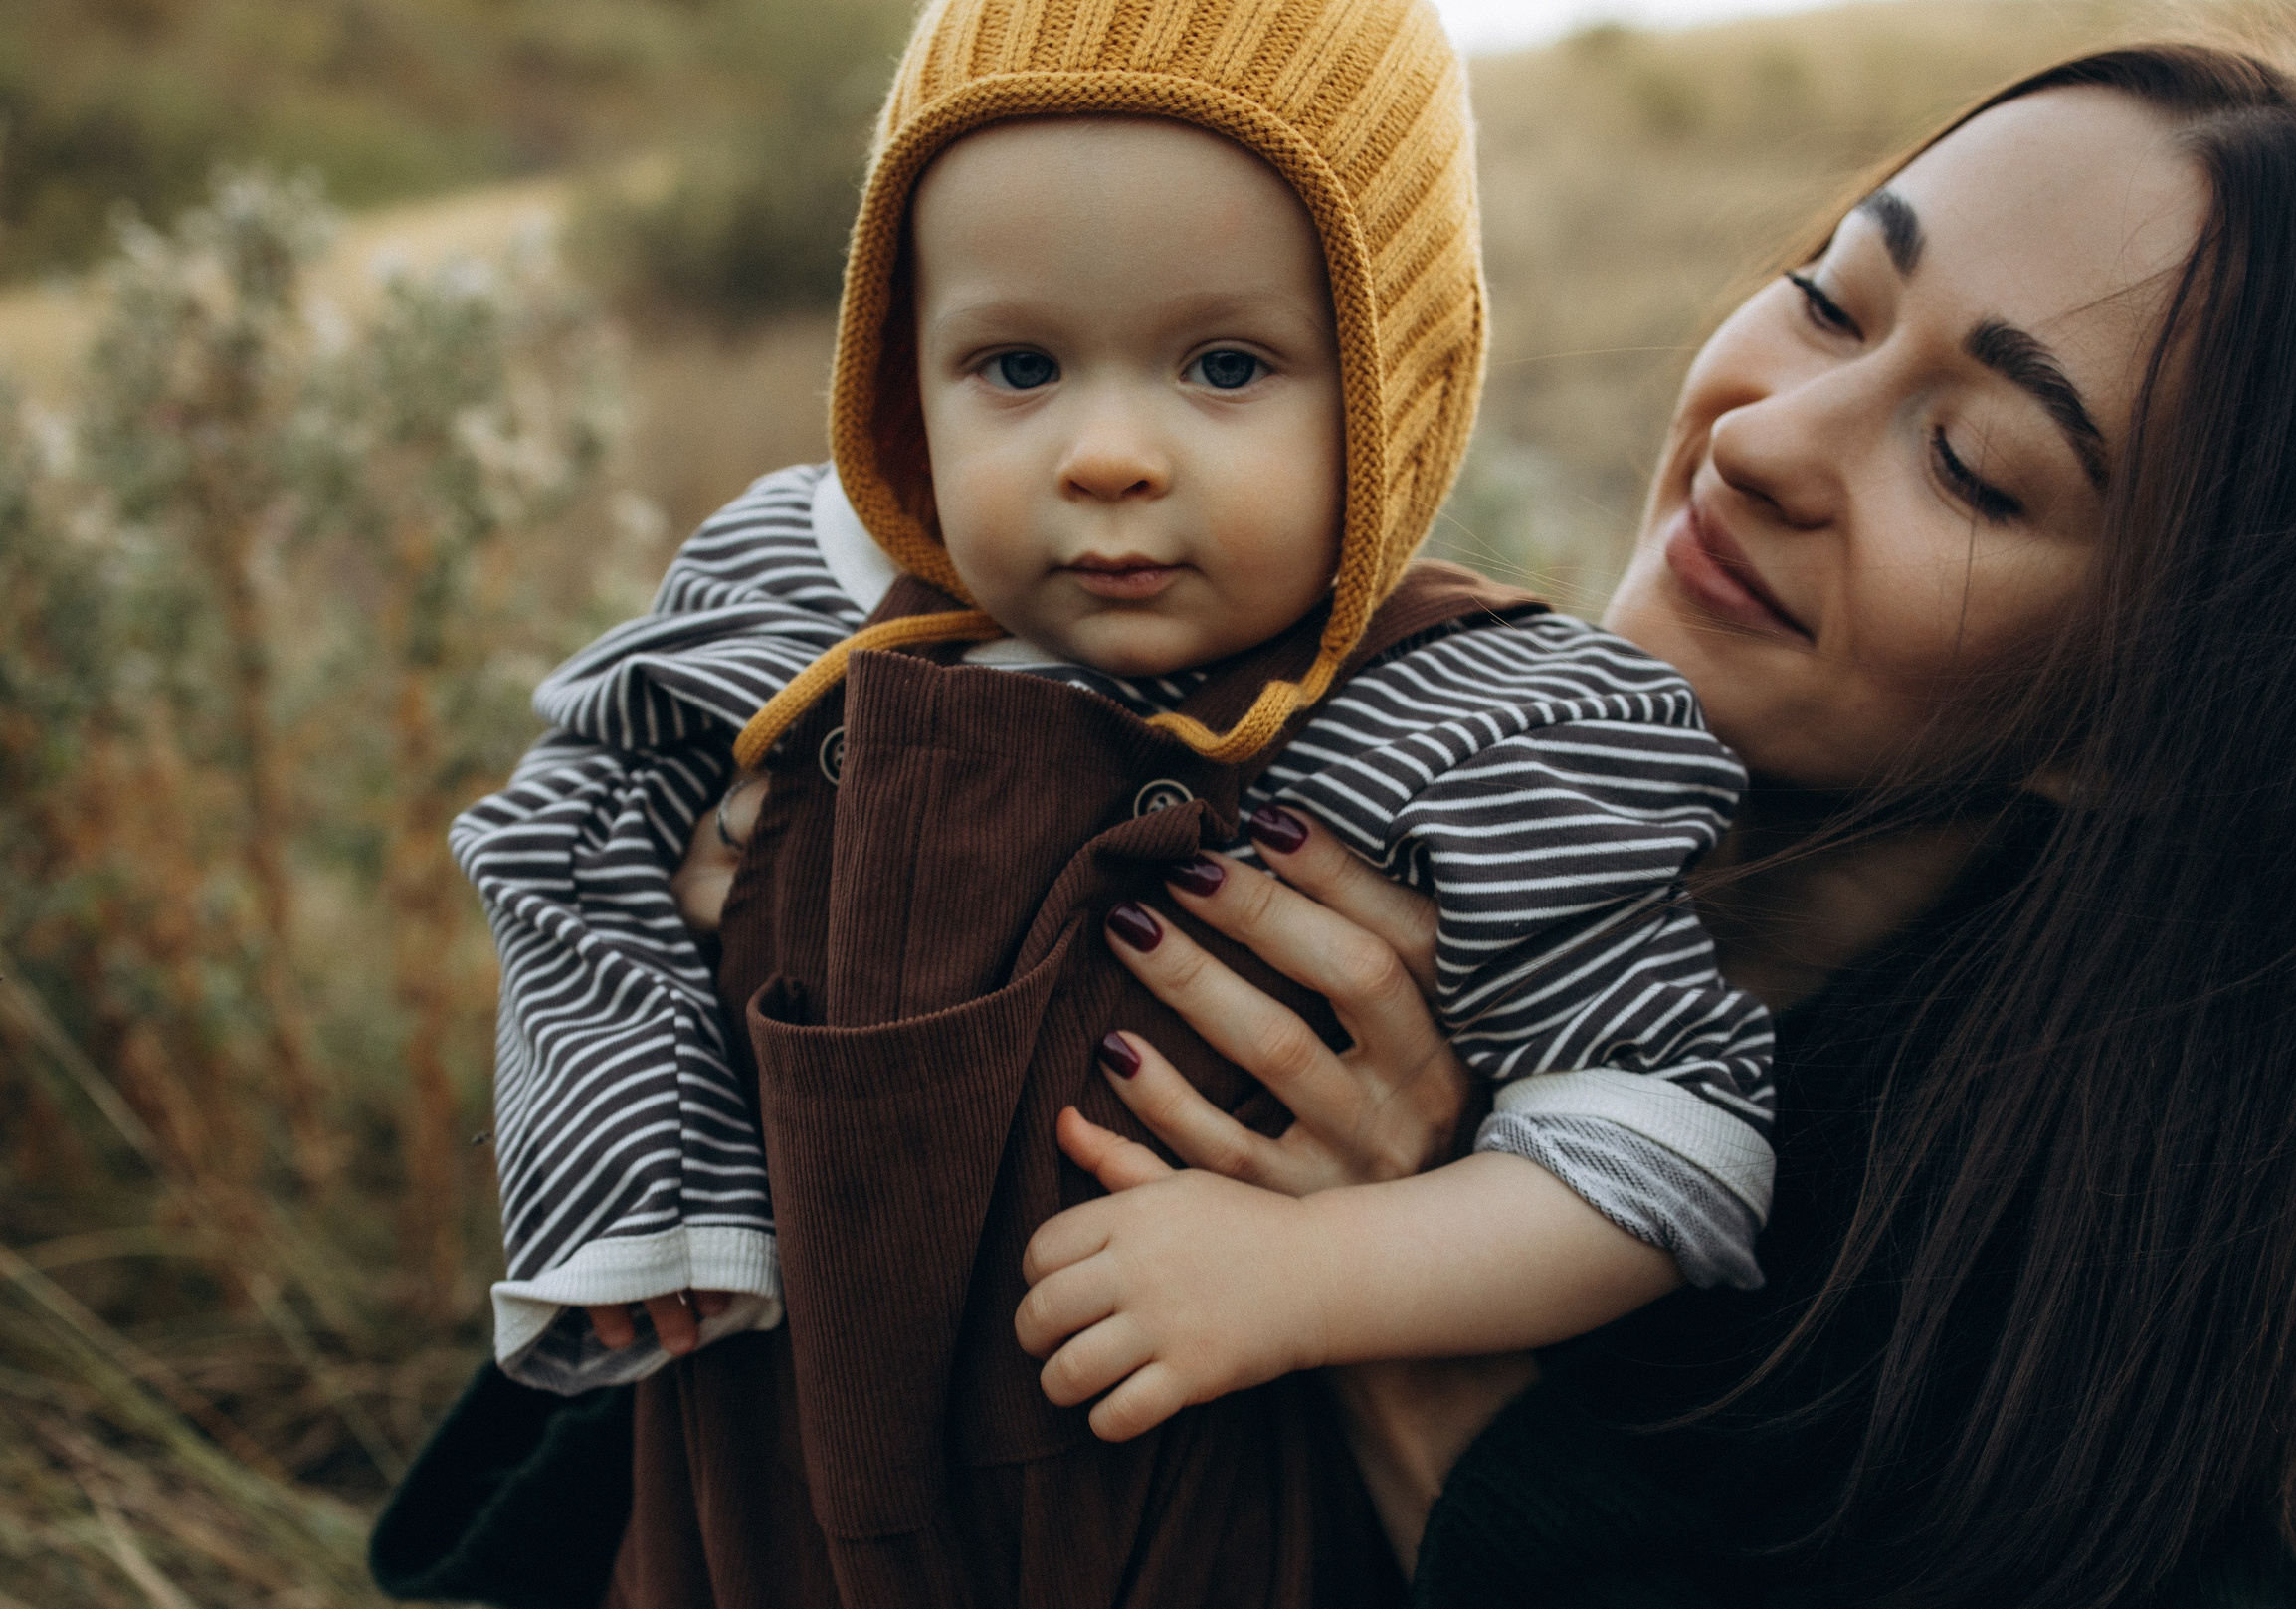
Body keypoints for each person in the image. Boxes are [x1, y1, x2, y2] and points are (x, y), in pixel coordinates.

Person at [928, 35, 2296, 1608]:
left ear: (2157, 729)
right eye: (1831, 300)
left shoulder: (2142, 1378)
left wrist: (1426, 1340)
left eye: (1973, 464)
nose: (1762, 439)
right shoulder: (1400, 729)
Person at [449, 0, 1788, 1596]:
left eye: (1226, 365)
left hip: (1188, 1533)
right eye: (1016, 365)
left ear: (1396, 381)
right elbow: (563, 831)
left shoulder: (1468, 727)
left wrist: (1317, 1270)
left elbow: (1672, 1143)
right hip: (750, 1517)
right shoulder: (800, 596)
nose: (1105, 454)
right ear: (901, 367)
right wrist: (643, 1175)